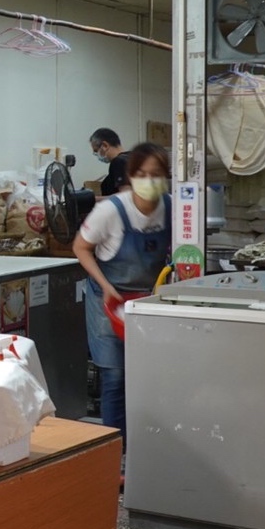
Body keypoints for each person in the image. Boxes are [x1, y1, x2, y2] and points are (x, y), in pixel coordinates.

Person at [71, 141, 171, 443]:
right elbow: (80, 247)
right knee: (114, 377)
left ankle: (145, 446)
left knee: (147, 377)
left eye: (156, 174)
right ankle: (117, 454)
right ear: (130, 176)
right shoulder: (109, 211)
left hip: (147, 304)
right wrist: (105, 286)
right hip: (109, 302)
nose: (149, 181)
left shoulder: (172, 206)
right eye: (142, 174)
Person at [89, 128, 129, 196]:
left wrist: (93, 199)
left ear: (105, 145)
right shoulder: (133, 157)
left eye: (96, 151)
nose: (97, 155)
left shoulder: (118, 162)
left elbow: (125, 198)